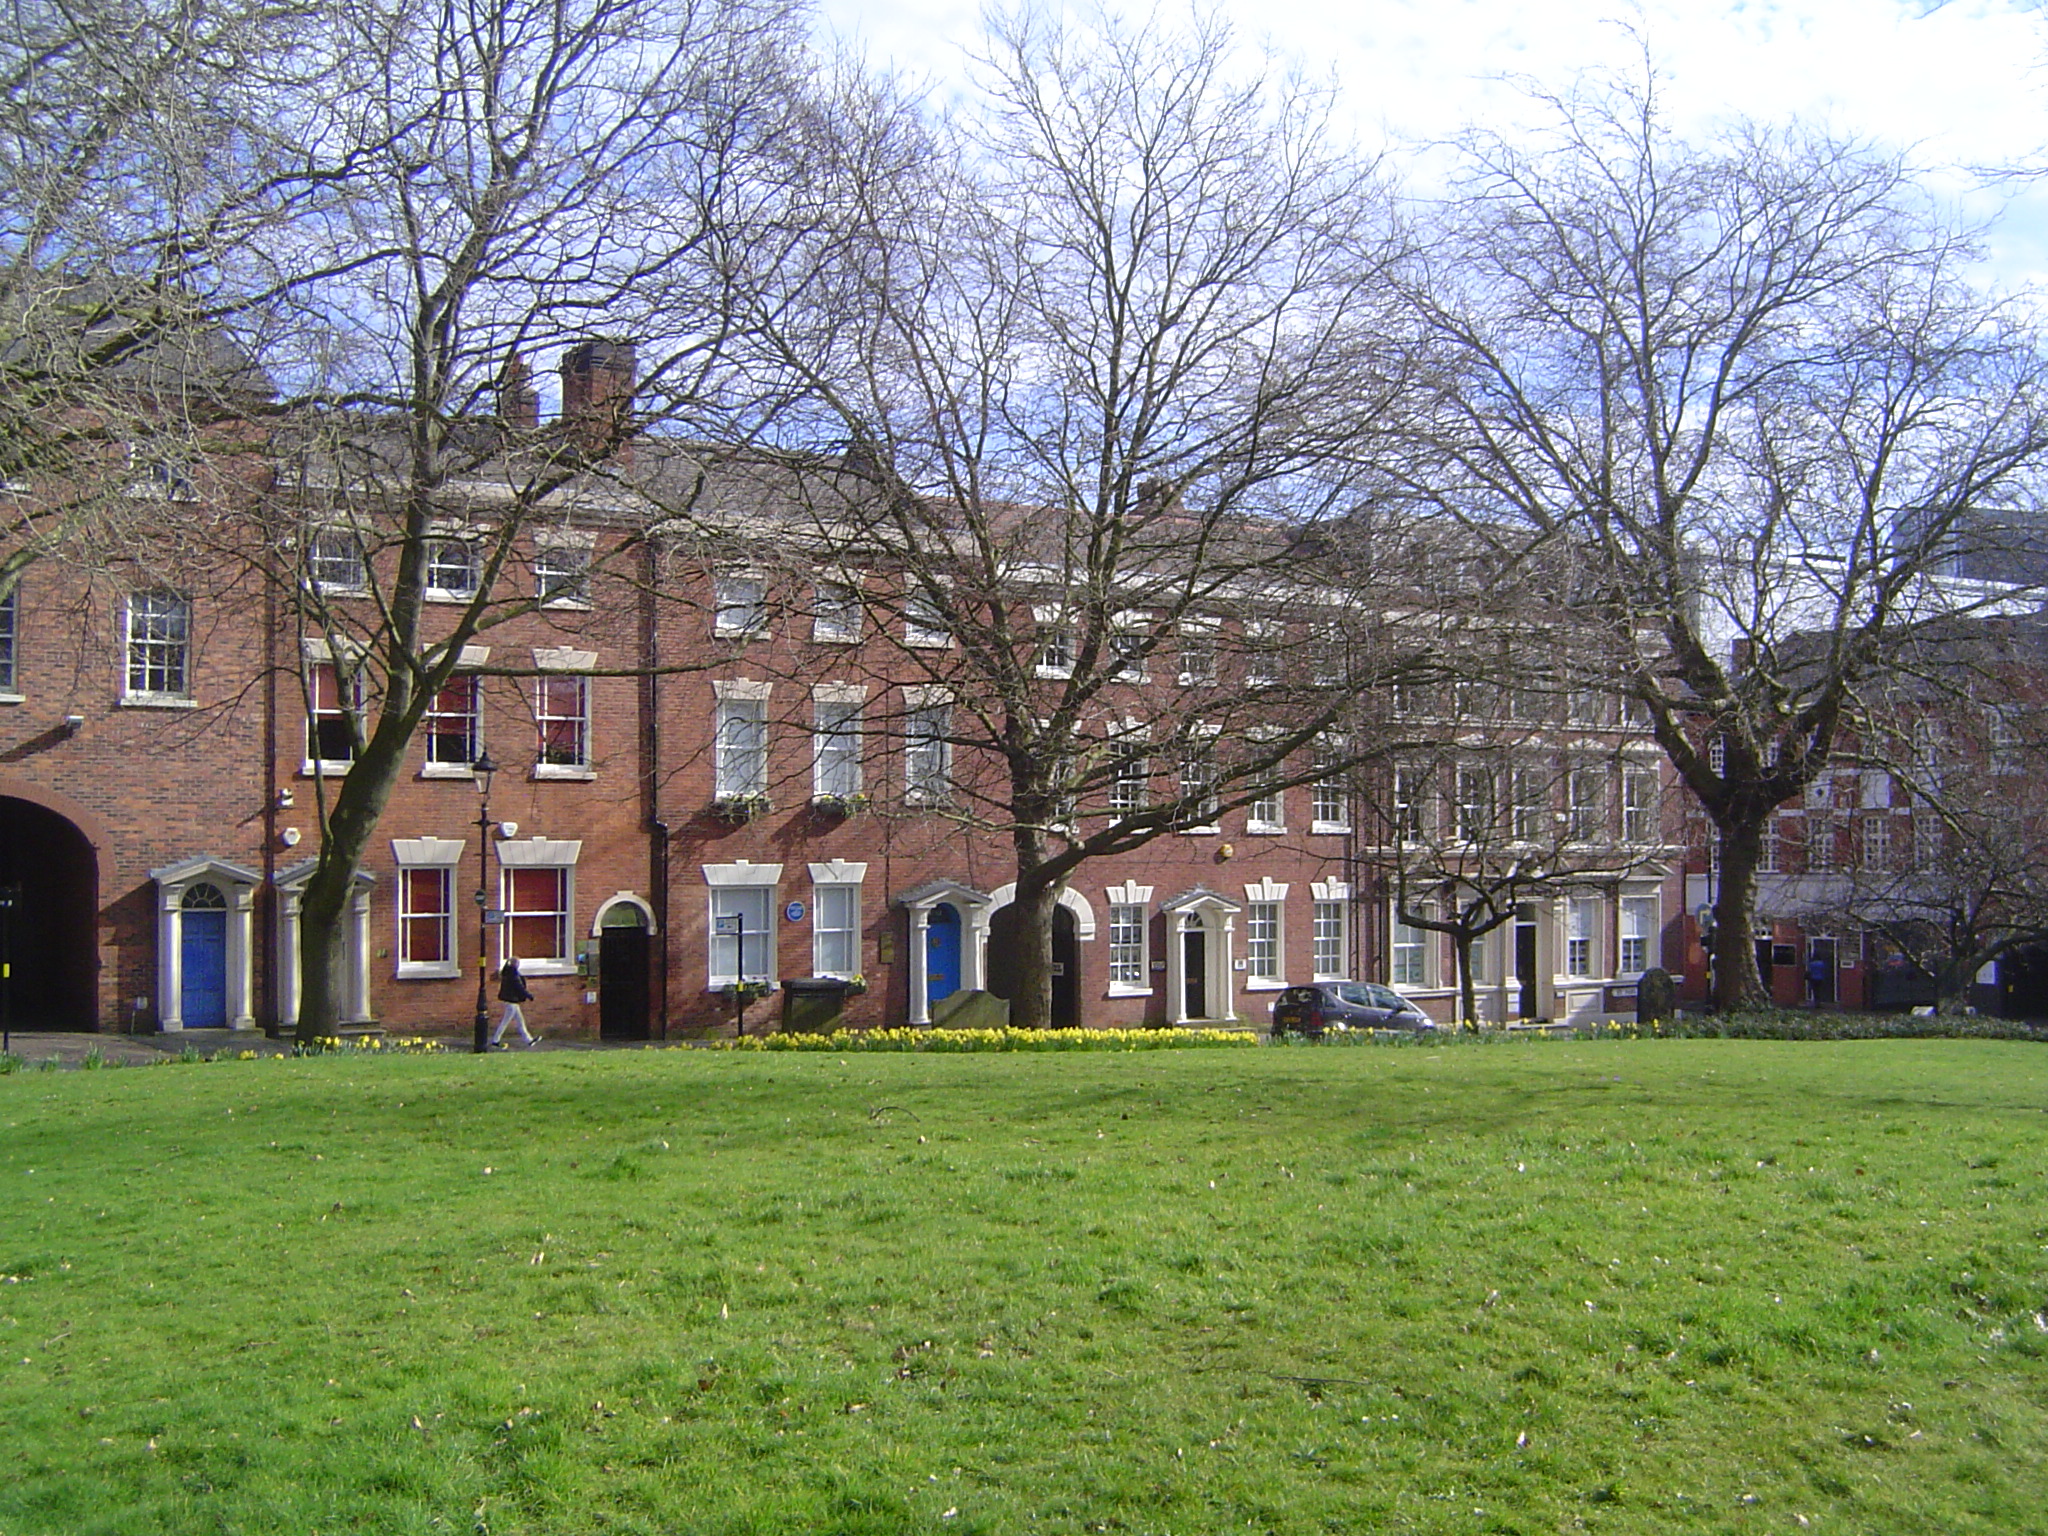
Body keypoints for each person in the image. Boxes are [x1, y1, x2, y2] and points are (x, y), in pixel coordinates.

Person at [491, 957, 538, 1047]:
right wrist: (528, 995)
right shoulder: (513, 974)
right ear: (515, 964)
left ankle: (529, 1040)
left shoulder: (507, 972)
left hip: (510, 1001)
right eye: (518, 963)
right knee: (505, 1022)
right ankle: (495, 1040)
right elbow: (519, 987)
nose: (519, 965)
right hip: (511, 1001)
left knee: (520, 1022)